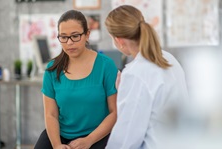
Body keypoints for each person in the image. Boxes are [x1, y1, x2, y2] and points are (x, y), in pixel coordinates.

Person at [105, 5, 189, 149]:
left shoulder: (135, 74)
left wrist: (124, 92)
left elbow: (127, 138)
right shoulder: (168, 58)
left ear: (119, 41)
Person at [35, 10, 118, 149]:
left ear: (87, 35)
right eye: (63, 37)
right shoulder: (52, 69)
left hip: (97, 135)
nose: (69, 43)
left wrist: (89, 140)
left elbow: (114, 112)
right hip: (61, 135)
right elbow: (51, 114)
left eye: (75, 36)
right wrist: (57, 145)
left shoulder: (106, 65)